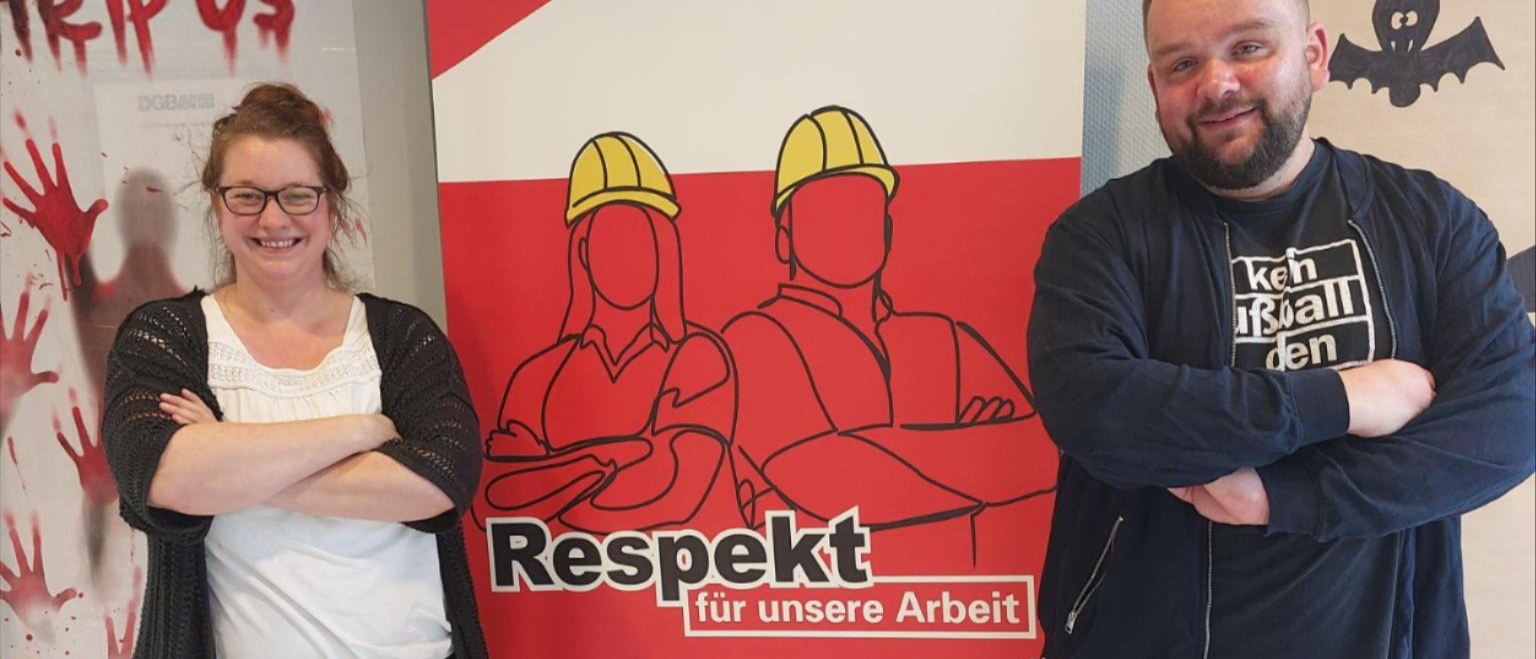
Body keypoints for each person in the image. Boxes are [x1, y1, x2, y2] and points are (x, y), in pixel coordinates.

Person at [1027, 0, 1535, 658]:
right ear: (1156, 88)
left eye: (1248, 47)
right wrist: (1342, 399)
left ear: (1314, 54)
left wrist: (1287, 498)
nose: (1216, 83)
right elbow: (1097, 411)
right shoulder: (1100, 235)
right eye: (1182, 63)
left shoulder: (1430, 221)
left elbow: (1508, 424)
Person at [101, 83, 487, 659]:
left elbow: (439, 482)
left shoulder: (403, 337)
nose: (273, 218)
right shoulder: (165, 338)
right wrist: (361, 431)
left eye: (298, 195)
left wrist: (229, 459)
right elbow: (165, 480)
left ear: (331, 204)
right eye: (247, 196)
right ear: (217, 205)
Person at [724, 106, 1056, 572]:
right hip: (811, 608)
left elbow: (1041, 455)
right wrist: (973, 448)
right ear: (785, 237)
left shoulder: (944, 338)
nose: (846, 224)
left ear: (887, 226)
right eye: (824, 210)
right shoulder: (753, 340)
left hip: (950, 605)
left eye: (862, 205)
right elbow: (834, 484)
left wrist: (876, 448)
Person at [477, 132, 740, 535]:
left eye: (641, 238)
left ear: (663, 249)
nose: (627, 256)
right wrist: (624, 455)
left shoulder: (700, 358)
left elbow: (672, 490)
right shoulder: (536, 378)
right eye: (611, 237)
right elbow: (495, 502)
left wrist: (550, 470)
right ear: (583, 251)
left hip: (693, 570)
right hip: (567, 570)